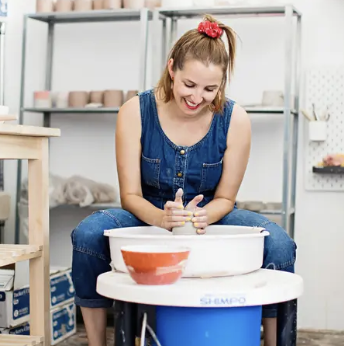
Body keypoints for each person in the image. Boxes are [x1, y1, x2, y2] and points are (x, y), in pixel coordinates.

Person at [71, 14, 297, 346]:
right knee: (87, 235)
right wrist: (161, 218)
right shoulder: (135, 111)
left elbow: (225, 198)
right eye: (189, 85)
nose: (197, 97)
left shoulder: (236, 120)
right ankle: (96, 342)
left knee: (279, 244)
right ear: (172, 68)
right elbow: (130, 195)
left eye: (210, 89)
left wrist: (206, 214)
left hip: (209, 213)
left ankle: (275, 342)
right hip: (146, 211)